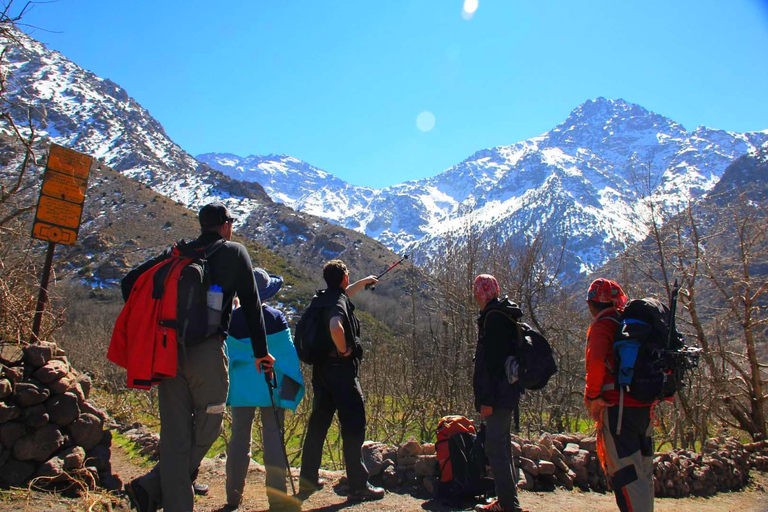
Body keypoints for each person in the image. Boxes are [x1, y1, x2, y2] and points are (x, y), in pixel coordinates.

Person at [125, 202, 274, 512]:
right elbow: (251, 305)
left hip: (167, 353)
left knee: (175, 434)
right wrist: (262, 353)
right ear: (225, 224)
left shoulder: (178, 253)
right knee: (210, 424)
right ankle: (151, 485)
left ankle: (158, 494)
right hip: (207, 352)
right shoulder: (234, 252)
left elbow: (129, 283)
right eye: (231, 221)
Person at [297, 259, 385, 502]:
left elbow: (343, 294)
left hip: (321, 372)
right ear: (343, 277)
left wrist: (365, 282)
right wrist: (345, 349)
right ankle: (358, 485)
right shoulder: (338, 302)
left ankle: (308, 480)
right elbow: (336, 325)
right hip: (341, 372)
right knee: (354, 425)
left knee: (318, 424)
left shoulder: (322, 298)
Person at [225, 268, 306, 512]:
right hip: (271, 385)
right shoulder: (274, 317)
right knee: (274, 439)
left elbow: (228, 352)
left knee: (239, 439)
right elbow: (287, 355)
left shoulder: (229, 318)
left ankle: (233, 498)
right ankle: (278, 499)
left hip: (240, 389)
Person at [584, 278, 654, 512]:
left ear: (591, 304)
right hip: (643, 407)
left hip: (618, 409)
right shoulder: (630, 324)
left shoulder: (604, 325)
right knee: (642, 472)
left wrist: (593, 397)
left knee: (626, 473)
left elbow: (595, 362)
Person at [471, 274, 526, 512]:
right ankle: (507, 503)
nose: (475, 295)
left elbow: (491, 365)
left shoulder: (493, 319)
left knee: (495, 448)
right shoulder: (504, 314)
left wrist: (486, 401)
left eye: (476, 291)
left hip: (497, 397)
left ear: (482, 293)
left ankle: (509, 506)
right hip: (508, 393)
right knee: (501, 446)